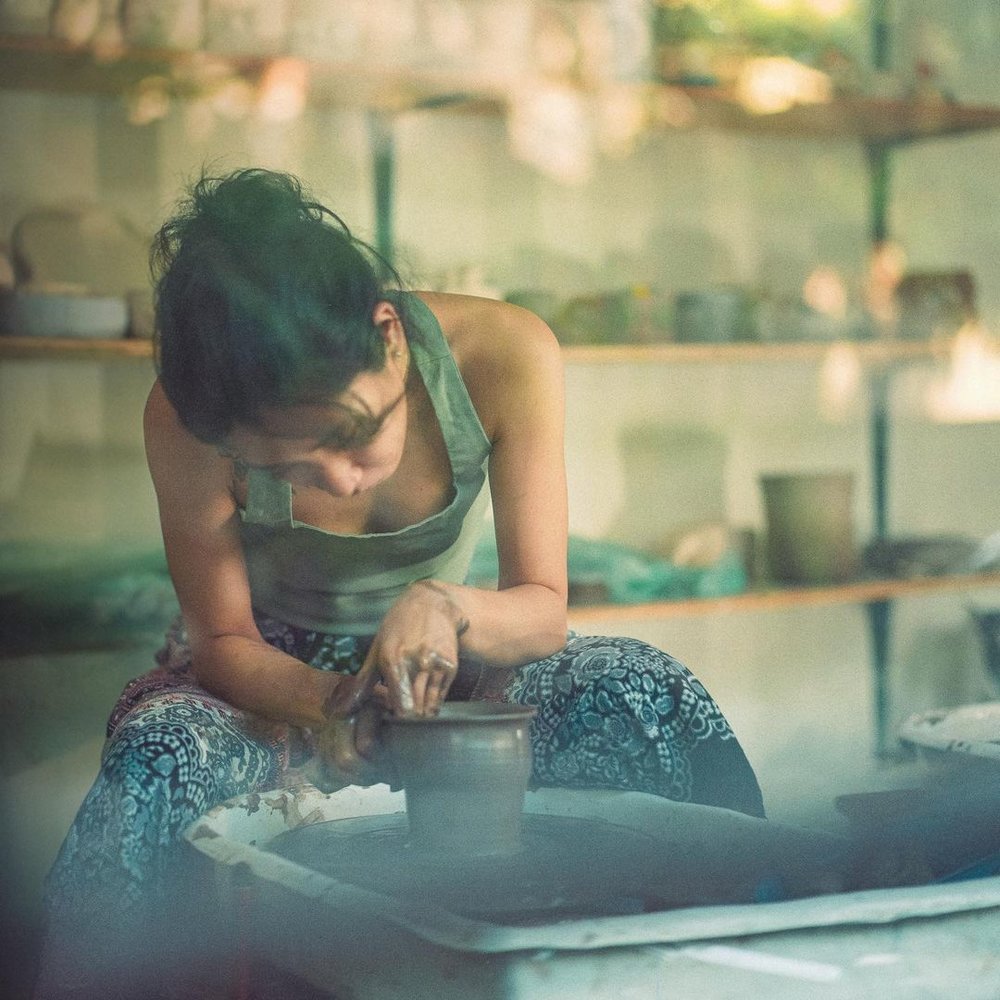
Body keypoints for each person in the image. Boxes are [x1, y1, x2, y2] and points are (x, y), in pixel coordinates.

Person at [35, 168, 764, 998]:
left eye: (352, 434)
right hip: (273, 686)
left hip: (463, 653)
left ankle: (715, 968)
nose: (341, 479)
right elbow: (223, 642)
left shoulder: (505, 353)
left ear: (388, 334)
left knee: (637, 688)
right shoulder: (187, 416)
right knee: (157, 756)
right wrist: (338, 700)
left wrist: (443, 606)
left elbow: (544, 612)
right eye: (292, 465)